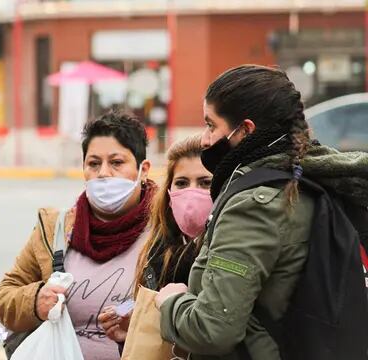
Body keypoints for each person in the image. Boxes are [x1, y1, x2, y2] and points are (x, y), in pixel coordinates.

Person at [154, 64, 368, 358]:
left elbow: (214, 330)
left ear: (245, 130)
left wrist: (170, 302)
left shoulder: (252, 205)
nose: (204, 139)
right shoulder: (313, 179)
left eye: (211, 125)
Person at [0, 109, 156, 359]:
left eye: (116, 162)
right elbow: (4, 296)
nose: (103, 173)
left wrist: (147, 318)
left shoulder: (164, 232)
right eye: (94, 163)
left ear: (143, 170)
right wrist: (36, 301)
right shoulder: (54, 228)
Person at [97, 135, 213, 348]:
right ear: (169, 191)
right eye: (182, 183)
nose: (192, 192)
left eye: (205, 183)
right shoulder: (158, 248)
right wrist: (131, 327)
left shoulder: (229, 247)